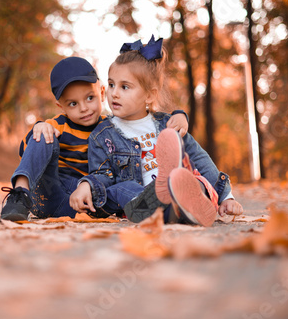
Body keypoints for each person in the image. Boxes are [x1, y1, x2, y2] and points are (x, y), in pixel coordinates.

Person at [69, 36, 243, 226]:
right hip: (140, 198)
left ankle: (185, 202)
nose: (114, 93)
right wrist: (87, 185)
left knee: (195, 181)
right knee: (122, 188)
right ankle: (167, 204)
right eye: (111, 84)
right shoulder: (102, 135)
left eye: (125, 87)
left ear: (149, 95)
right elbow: (103, 174)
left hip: (179, 190)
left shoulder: (168, 124)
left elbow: (200, 157)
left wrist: (227, 196)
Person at [0, 56, 189, 221]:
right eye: (73, 103)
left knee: (125, 185)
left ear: (101, 92)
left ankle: (160, 208)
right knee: (43, 135)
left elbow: (141, 118)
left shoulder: (113, 127)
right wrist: (40, 127)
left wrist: (179, 115)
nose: (84, 108)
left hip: (92, 201)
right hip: (52, 195)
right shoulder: (57, 125)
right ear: (61, 106)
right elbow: (27, 151)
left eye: (89, 98)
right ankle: (20, 194)